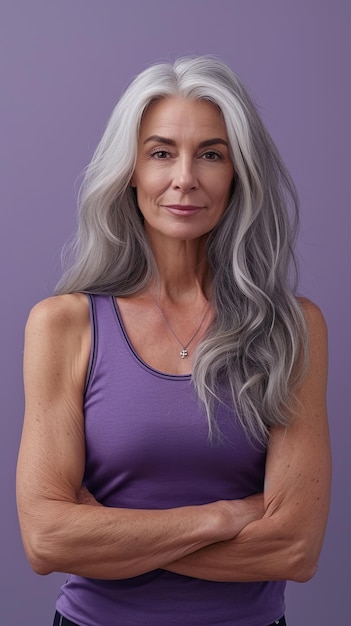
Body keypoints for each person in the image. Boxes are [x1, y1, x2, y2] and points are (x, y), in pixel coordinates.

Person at [16, 56, 331, 626]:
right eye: (161, 152)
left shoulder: (292, 327)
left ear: (238, 172)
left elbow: (294, 550)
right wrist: (223, 517)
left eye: (211, 154)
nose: (184, 177)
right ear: (131, 169)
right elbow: (47, 540)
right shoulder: (63, 326)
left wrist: (110, 536)